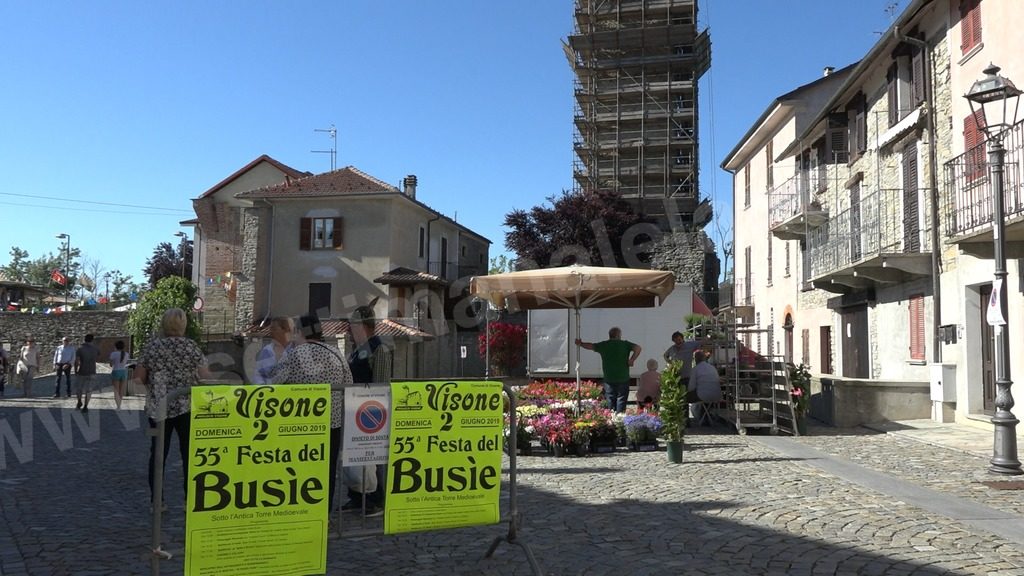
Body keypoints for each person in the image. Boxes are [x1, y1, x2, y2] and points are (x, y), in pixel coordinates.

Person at [270, 314, 372, 517]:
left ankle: (300, 510)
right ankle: (323, 514)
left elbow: (275, 384)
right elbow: (349, 385)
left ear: (300, 332)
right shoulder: (336, 355)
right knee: (327, 470)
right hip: (331, 424)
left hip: (299, 426)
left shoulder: (293, 356)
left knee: (298, 469)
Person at [134, 308, 210, 510]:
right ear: (184, 325)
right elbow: (205, 378)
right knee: (189, 455)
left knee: (158, 455)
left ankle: (157, 501)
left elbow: (138, 379)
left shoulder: (152, 348)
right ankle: (189, 500)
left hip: (158, 409)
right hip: (187, 407)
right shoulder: (192, 348)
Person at [345, 303, 393, 514]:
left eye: (354, 326)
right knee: (354, 458)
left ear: (364, 326)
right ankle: (357, 497)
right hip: (354, 409)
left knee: (370, 459)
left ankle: (375, 499)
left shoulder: (378, 349)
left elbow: (380, 383)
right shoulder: (358, 350)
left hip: (369, 412)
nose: (350, 330)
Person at [576, 327, 641, 413]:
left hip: (609, 378)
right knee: (621, 399)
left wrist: (581, 343)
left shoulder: (604, 345)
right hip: (623, 377)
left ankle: (610, 418)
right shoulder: (625, 344)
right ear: (618, 335)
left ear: (610, 335)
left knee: (610, 399)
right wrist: (632, 359)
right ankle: (619, 418)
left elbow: (591, 346)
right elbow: (638, 348)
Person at [253, 316, 294, 384]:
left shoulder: (296, 350)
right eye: (270, 329)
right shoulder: (266, 351)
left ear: (286, 330)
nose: (270, 332)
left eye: (274, 329)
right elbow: (258, 374)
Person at [73, 334, 100, 412]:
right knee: (89, 390)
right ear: (92, 340)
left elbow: (77, 361)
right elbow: (98, 356)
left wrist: (75, 370)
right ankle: (85, 406)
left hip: (82, 371)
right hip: (92, 371)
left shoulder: (80, 349)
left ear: (84, 339)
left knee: (79, 389)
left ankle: (79, 402)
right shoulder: (96, 348)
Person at [108, 340, 130, 409]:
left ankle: (118, 406)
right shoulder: (126, 354)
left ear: (116, 347)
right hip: (123, 371)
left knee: (116, 390)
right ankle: (119, 404)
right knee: (121, 390)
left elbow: (111, 365)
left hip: (116, 371)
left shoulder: (113, 354)